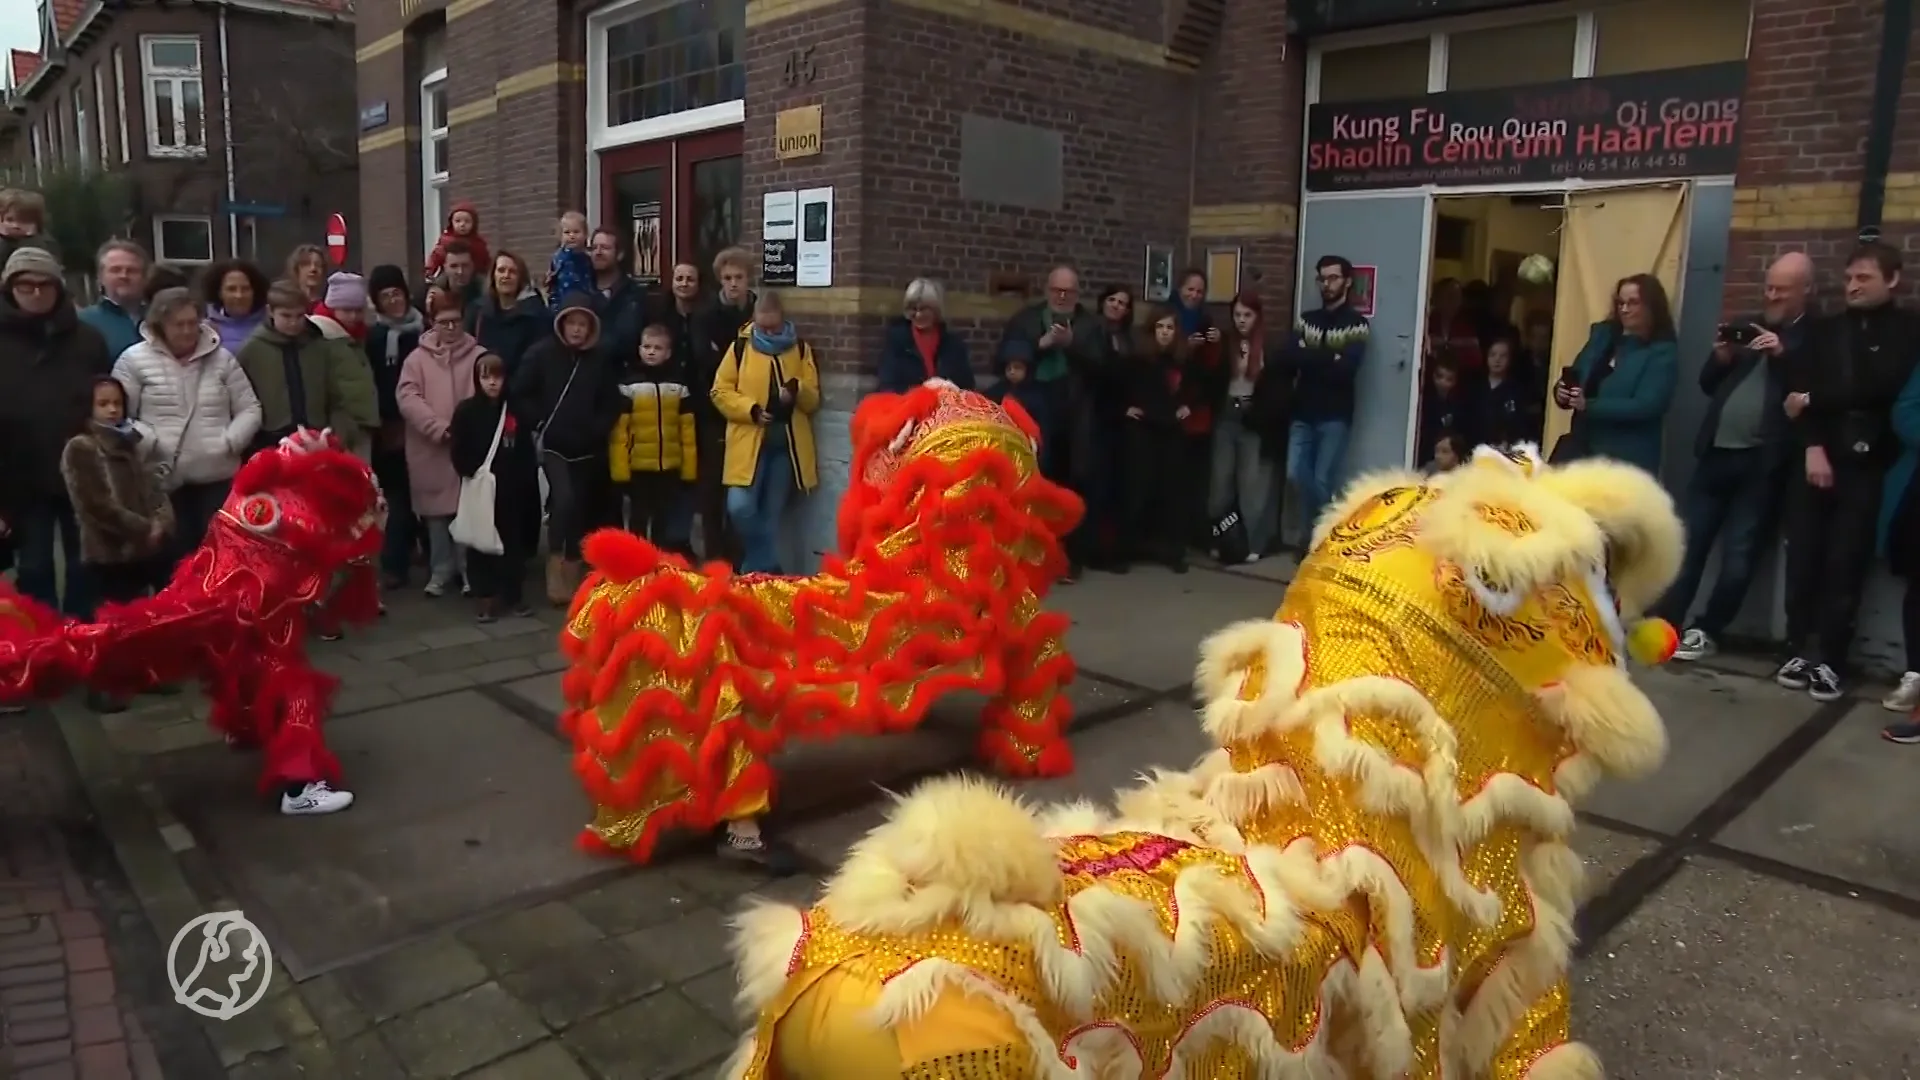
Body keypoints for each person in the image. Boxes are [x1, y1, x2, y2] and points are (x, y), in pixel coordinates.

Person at [1776, 241, 1919, 702]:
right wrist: (1812, 444)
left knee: (1846, 562)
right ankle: (1799, 647)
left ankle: (1832, 660)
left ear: (1892, 279)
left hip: (1867, 464)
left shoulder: (1908, 330)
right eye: (1850, 278)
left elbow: (1882, 386)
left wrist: (1818, 399)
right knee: (1803, 560)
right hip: (1816, 458)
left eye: (1865, 278)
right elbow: (1796, 395)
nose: (1853, 286)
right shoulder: (1825, 331)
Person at [1658, 252, 1811, 664]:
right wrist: (1722, 356)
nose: (1772, 294)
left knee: (1740, 555)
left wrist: (1781, 352)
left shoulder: (1811, 337)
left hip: (1762, 463)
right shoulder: (1750, 327)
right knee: (1688, 544)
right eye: (1769, 286)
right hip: (1715, 454)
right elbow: (1708, 384)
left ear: (1805, 292)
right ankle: (1666, 623)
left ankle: (1707, 629)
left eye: (1782, 288)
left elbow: (1815, 385)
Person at [0, 246, 112, 624]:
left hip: (78, 470)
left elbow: (106, 400)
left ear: (58, 288)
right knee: (33, 568)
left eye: (44, 284)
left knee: (85, 564)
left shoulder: (88, 340)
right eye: (25, 285)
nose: (35, 292)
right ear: (10, 289)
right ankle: (42, 647)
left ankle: (80, 638)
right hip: (19, 476)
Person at [112, 287, 262, 560]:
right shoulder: (133, 360)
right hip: (162, 480)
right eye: (178, 324)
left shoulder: (223, 359)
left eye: (192, 323)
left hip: (216, 476)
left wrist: (230, 442)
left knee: (219, 557)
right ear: (160, 325)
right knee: (171, 562)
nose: (187, 331)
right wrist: (149, 441)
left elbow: (250, 408)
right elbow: (120, 417)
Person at [61, 376, 174, 712]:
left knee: (138, 617)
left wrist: (162, 521)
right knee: (107, 623)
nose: (112, 410)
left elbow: (153, 487)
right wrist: (143, 528)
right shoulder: (82, 448)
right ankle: (101, 687)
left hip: (142, 549)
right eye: (104, 404)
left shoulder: (129, 441)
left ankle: (140, 674)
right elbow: (96, 505)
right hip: (108, 550)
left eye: (117, 403)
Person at [996, 265, 1105, 578]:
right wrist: (1038, 346)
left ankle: (1071, 558)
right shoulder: (1026, 320)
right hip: (1035, 409)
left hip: (1076, 413)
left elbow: (1103, 368)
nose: (1061, 296)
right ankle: (1035, 555)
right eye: (1057, 290)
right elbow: (1005, 360)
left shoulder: (1089, 326)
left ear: (1077, 295)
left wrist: (1072, 344)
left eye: (1068, 292)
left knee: (1073, 484)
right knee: (1036, 481)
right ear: (1047, 291)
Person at [514, 293, 622, 602]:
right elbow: (520, 393)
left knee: (581, 508)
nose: (577, 330)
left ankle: (574, 567)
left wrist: (597, 429)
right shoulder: (541, 354)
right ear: (561, 324)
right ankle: (556, 567)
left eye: (583, 324)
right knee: (564, 501)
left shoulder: (600, 359)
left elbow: (611, 402)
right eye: (572, 323)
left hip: (588, 446)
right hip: (554, 444)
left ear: (592, 327)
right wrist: (540, 421)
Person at [711, 290, 820, 575]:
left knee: (770, 519)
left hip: (786, 447)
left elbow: (813, 401)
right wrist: (751, 410)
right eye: (763, 327)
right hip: (749, 443)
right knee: (739, 507)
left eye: (773, 327)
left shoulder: (799, 348)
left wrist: (797, 390)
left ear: (782, 319)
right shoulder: (740, 347)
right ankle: (769, 565)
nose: (768, 332)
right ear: (755, 320)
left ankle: (755, 581)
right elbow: (720, 391)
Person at [398, 290, 486, 598]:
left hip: (466, 449)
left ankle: (469, 571)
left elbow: (488, 396)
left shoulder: (479, 356)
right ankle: (440, 571)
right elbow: (408, 397)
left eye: (456, 321)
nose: (450, 328)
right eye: (443, 322)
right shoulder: (416, 360)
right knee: (436, 517)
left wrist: (467, 431)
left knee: (467, 512)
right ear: (432, 323)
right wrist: (436, 427)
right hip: (430, 448)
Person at [1552, 274, 1679, 474]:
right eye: (1621, 303)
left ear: (1651, 306)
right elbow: (1577, 373)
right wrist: (1561, 392)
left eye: (1633, 303)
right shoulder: (1602, 337)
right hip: (1582, 448)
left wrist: (1590, 405)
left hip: (1624, 457)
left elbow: (1648, 405)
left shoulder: (1662, 352)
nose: (1625, 309)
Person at [234, 280, 379, 454]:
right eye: (286, 316)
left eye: (299, 315)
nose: (294, 322)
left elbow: (337, 398)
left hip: (318, 440)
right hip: (270, 443)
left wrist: (338, 435)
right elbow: (240, 403)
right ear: (270, 312)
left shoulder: (319, 346)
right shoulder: (252, 350)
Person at [1280, 255, 1370, 526]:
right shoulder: (1307, 320)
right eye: (1322, 278)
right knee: (1295, 474)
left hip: (1335, 415)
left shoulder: (1357, 324)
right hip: (1302, 412)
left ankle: (1317, 539)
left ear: (1347, 282)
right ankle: (1318, 533)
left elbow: (1346, 370)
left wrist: (1311, 355)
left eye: (1333, 278)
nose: (1326, 284)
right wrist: (1330, 357)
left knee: (1321, 480)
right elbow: (1289, 358)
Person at [450, 353, 538, 622]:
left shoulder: (516, 410)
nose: (492, 383)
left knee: (513, 543)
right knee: (481, 544)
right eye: (486, 377)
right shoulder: (466, 411)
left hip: (512, 488)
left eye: (497, 377)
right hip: (481, 486)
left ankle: (513, 595)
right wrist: (472, 471)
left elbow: (526, 451)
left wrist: (525, 481)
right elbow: (458, 450)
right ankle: (484, 597)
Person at [610, 323, 698, 555]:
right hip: (638, 467)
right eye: (647, 346)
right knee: (638, 521)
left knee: (663, 522)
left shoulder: (679, 386)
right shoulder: (629, 385)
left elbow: (687, 432)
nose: (651, 351)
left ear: (668, 353)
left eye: (658, 348)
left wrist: (689, 470)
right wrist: (620, 471)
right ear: (639, 349)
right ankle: (635, 568)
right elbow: (620, 432)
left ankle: (657, 568)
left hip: (669, 467)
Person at [1122, 305, 1197, 573]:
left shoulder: (1182, 361)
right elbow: (1120, 387)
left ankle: (1172, 551)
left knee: (1172, 492)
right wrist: (1126, 408)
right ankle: (1128, 549)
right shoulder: (1139, 360)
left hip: (1171, 430)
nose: (1165, 333)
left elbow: (1197, 386)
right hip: (1144, 431)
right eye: (1160, 327)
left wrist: (1188, 405)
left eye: (1170, 328)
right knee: (1138, 490)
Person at [694, 247, 757, 564]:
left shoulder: (759, 313)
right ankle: (714, 559)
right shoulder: (707, 316)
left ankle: (738, 558)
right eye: (727, 278)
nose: (733, 284)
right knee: (712, 491)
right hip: (714, 414)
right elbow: (706, 363)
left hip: (751, 414)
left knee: (742, 490)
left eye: (739, 278)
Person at [1208, 291, 1280, 562]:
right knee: (1220, 482)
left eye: (1247, 315)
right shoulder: (1226, 342)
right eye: (1237, 315)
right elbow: (1213, 377)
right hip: (1227, 413)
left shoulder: (1267, 346)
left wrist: (1262, 412)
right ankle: (1220, 538)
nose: (1241, 321)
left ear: (1257, 317)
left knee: (1252, 484)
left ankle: (1254, 543)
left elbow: (1274, 386)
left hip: (1253, 415)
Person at [366, 266, 425, 589]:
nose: (393, 301)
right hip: (391, 426)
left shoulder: (423, 330)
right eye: (385, 296)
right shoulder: (374, 338)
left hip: (423, 422)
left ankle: (428, 553)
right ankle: (395, 565)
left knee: (426, 492)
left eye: (396, 294)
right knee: (397, 496)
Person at [877, 278, 974, 392]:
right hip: (907, 405)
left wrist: (949, 387)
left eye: (924, 309)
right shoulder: (896, 341)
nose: (918, 315)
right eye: (913, 309)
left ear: (936, 310)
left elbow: (967, 385)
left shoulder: (953, 344)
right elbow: (888, 383)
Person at [466, 251, 546, 375]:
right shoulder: (477, 311)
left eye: (512, 272)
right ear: (493, 275)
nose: (506, 276)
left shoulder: (536, 314)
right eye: (501, 270)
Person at [79, 240, 150, 360]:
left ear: (145, 277)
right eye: (115, 270)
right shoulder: (82, 322)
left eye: (132, 270)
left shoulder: (161, 318)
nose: (124, 276)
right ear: (100, 278)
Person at [1475, 335, 1544, 448]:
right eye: (1493, 355)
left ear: (1510, 359)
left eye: (1503, 356)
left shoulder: (1516, 391)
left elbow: (1521, 425)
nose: (1497, 359)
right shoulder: (1475, 387)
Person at [1417, 354, 1479, 466]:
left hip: (1449, 461)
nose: (1443, 382)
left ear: (1455, 381)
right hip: (1424, 457)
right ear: (1433, 375)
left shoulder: (1459, 405)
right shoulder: (1422, 399)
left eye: (1449, 379)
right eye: (1439, 376)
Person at [203, 259, 270, 355]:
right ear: (219, 293)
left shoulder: (272, 324)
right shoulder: (205, 329)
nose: (239, 295)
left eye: (245, 289)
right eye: (231, 289)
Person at [423, 200, 490, 285]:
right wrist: (430, 270)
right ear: (451, 223)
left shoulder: (479, 243)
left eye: (467, 221)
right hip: (450, 275)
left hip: (475, 276)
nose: (462, 224)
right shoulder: (445, 240)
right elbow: (436, 256)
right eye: (458, 221)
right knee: (439, 284)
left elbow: (486, 260)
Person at [546, 211, 594, 314]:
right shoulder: (558, 258)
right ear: (561, 236)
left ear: (585, 234)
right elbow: (552, 283)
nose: (572, 236)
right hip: (562, 304)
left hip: (585, 305)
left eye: (576, 232)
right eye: (567, 232)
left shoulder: (589, 258)